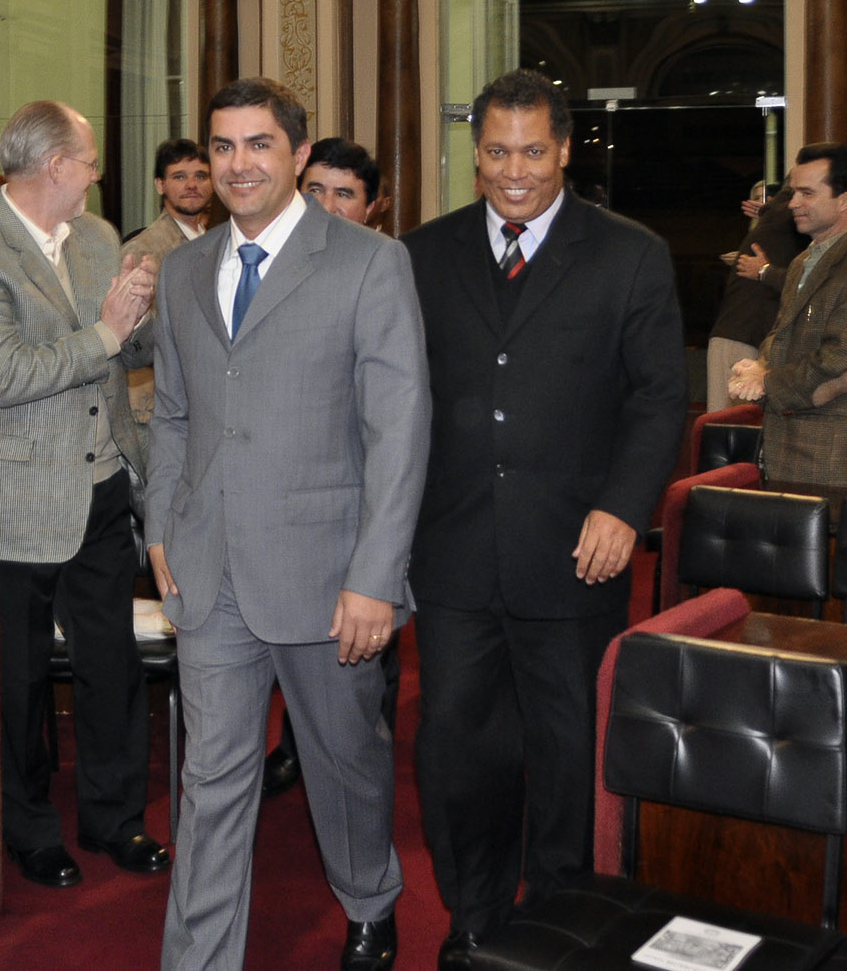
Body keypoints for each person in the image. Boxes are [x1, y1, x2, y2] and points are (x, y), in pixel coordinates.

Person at [402, 68, 686, 968]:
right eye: (495, 151)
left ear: (564, 150)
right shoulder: (421, 252)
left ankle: (555, 918)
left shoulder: (629, 251)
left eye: (531, 151)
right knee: (455, 747)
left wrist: (621, 506)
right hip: (449, 551)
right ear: (474, 153)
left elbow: (656, 398)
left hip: (576, 551)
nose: (513, 170)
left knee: (565, 750)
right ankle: (474, 912)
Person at [148, 78, 428, 971]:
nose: (238, 164)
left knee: (343, 760)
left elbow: (398, 426)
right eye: (222, 146)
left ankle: (369, 896)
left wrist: (376, 575)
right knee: (210, 780)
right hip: (206, 567)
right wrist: (158, 529)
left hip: (328, 573)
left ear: (298, 156)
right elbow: (174, 416)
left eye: (258, 144)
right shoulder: (183, 268)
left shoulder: (366, 261)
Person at [0, 99, 165, 889]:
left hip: (102, 483)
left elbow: (123, 348)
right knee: (18, 681)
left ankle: (115, 818)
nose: (98, 173)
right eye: (90, 160)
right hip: (16, 504)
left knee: (112, 666)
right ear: (55, 167)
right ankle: (28, 827)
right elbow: (0, 377)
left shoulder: (100, 238)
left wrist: (139, 318)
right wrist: (104, 332)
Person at [265, 132, 403, 801]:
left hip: (374, 506)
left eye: (342, 194)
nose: (324, 205)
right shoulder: (265, 270)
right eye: (312, 189)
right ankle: (296, 746)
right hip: (296, 515)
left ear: (373, 206)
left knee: (364, 672)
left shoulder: (385, 268)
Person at [728, 144, 847, 490]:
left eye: (807, 193)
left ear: (844, 200)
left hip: (828, 456)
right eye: (793, 192)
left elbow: (846, 360)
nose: (793, 203)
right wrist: (759, 365)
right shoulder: (803, 261)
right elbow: (785, 335)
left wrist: (768, 381)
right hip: (785, 445)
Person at [122, 138, 211, 427]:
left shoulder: (221, 244)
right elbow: (130, 340)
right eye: (179, 176)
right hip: (160, 404)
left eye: (200, 176)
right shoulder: (142, 250)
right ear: (160, 185)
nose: (191, 185)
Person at [708, 180, 805, 411]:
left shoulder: (781, 222)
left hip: (746, 335)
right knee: (730, 425)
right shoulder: (787, 220)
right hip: (742, 336)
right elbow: (806, 285)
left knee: (739, 425)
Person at [302, 137, 390, 230]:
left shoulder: (383, 244)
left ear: (369, 208)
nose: (326, 207)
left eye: (342, 195)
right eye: (315, 191)